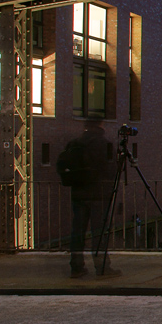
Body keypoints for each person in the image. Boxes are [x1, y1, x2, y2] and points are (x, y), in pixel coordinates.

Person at [69, 118, 121, 278]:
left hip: (79, 194)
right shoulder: (105, 144)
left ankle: (77, 267)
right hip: (99, 195)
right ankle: (102, 267)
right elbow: (113, 169)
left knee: (78, 232)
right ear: (101, 125)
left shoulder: (75, 143)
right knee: (99, 232)